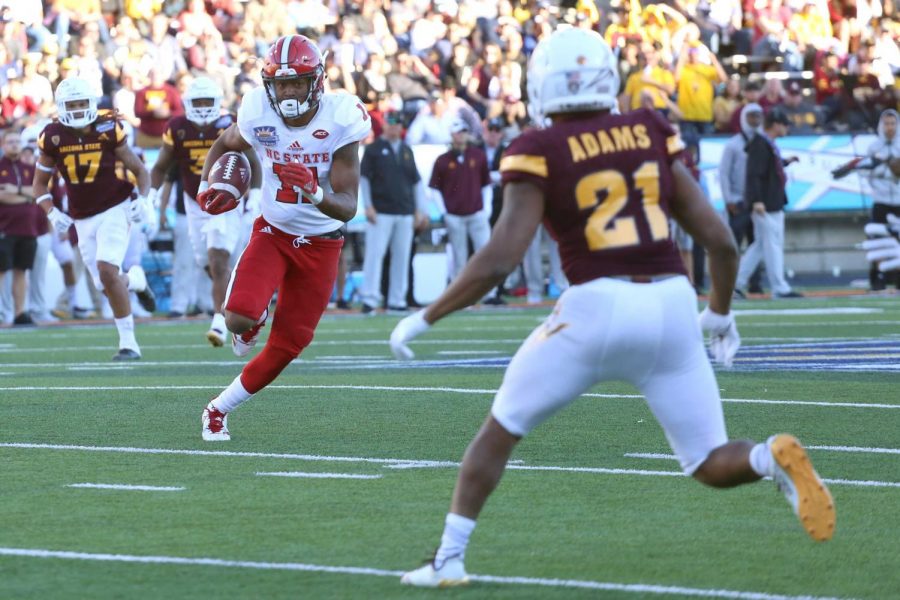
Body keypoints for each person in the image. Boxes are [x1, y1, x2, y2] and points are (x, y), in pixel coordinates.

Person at [389, 28, 835, 588]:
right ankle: (770, 457)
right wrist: (719, 313)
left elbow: (503, 256)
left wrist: (425, 315)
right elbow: (719, 240)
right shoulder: (650, 129)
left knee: (499, 431)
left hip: (595, 308)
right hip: (673, 305)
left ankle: (448, 560)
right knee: (707, 460)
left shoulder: (537, 145)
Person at [196, 34, 371, 441]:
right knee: (236, 315)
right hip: (274, 231)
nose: (289, 91)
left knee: (290, 343)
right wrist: (208, 185)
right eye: (281, 84)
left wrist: (314, 192)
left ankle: (217, 409)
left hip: (323, 243)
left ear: (318, 81)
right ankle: (251, 321)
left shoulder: (342, 117)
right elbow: (226, 142)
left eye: (297, 82)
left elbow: (347, 206)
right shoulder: (257, 109)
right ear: (268, 85)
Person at [32, 77, 156, 360]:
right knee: (105, 283)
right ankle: (135, 280)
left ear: (92, 104)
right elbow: (39, 184)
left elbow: (141, 171)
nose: (76, 110)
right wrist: (51, 211)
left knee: (107, 271)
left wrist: (144, 198)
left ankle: (129, 344)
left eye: (81, 104)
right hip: (82, 216)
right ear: (61, 106)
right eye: (71, 105)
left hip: (115, 205)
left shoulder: (108, 128)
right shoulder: (52, 136)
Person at [150, 76, 262, 345]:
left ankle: (219, 322)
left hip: (226, 201)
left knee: (218, 258)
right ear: (187, 103)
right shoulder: (176, 127)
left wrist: (255, 195)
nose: (201, 107)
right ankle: (240, 300)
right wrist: (151, 197)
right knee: (206, 262)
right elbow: (161, 166)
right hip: (194, 201)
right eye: (197, 102)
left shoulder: (228, 122)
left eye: (206, 102)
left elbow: (253, 162)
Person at [359, 110, 426, 314]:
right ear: (385, 125)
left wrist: (420, 210)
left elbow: (415, 181)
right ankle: (370, 298)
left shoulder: (406, 150)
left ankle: (397, 299)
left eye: (398, 124)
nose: (394, 127)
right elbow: (364, 179)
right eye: (391, 123)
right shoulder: (373, 150)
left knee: (402, 257)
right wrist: (368, 206)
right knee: (375, 256)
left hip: (405, 211)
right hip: (381, 211)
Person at [735, 108, 803, 299]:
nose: (786, 128)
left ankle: (736, 284)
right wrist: (756, 200)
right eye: (784, 124)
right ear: (775, 125)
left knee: (760, 245)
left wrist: (785, 162)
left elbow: (767, 167)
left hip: (771, 202)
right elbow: (754, 174)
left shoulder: (765, 143)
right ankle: (779, 287)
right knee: (772, 244)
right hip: (766, 204)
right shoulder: (760, 143)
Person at [429, 118, 491, 281]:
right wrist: (444, 212)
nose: (461, 136)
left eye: (463, 132)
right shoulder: (442, 160)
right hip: (454, 215)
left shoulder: (478, 156)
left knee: (484, 253)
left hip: (476, 213)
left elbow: (486, 185)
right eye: (458, 132)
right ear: (451, 134)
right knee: (459, 257)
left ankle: (488, 293)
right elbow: (434, 189)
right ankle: (461, 297)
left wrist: (486, 209)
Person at [0, 129, 45, 325]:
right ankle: (3, 313)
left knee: (21, 270)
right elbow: (2, 196)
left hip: (28, 229)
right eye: (10, 142)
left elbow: (38, 192)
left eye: (17, 141)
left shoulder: (30, 168)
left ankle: (19, 313)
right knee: (2, 272)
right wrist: (27, 197)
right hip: (5, 228)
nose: (14, 145)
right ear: (3, 145)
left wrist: (17, 191)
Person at [719, 103, 765, 294]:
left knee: (757, 243)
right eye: (751, 116)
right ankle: (731, 283)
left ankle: (755, 283)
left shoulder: (764, 143)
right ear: (743, 118)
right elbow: (724, 173)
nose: (754, 120)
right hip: (738, 201)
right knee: (734, 245)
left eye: (757, 116)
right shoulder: (733, 144)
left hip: (756, 203)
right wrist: (728, 199)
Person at [863, 109, 900, 290]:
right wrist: (883, 167)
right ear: (881, 125)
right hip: (881, 200)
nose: (890, 127)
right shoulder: (874, 147)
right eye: (886, 123)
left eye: (893, 123)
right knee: (878, 239)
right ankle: (878, 276)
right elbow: (865, 172)